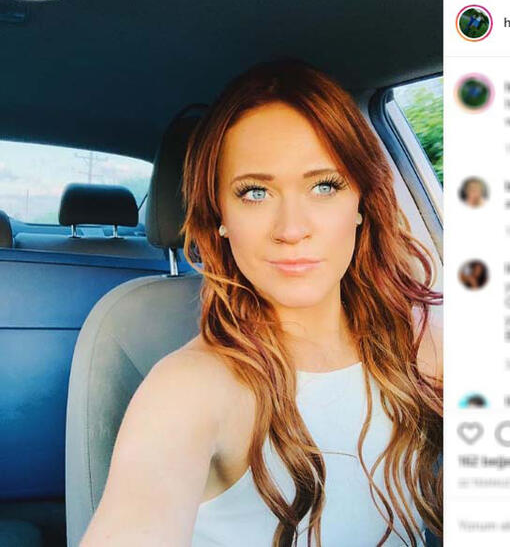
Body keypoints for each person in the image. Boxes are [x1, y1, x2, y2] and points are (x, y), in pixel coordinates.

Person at [81, 59, 443, 546]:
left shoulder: (419, 343)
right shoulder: (188, 388)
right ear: (220, 216)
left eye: (324, 186)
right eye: (255, 192)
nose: (291, 229)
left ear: (361, 203)